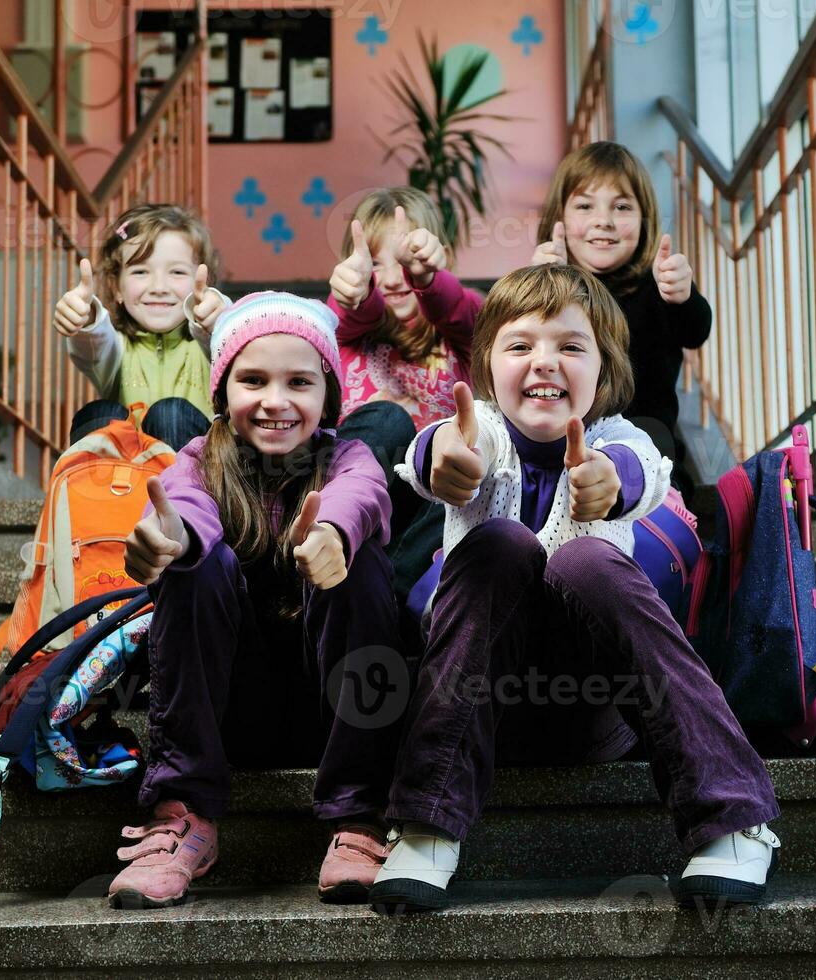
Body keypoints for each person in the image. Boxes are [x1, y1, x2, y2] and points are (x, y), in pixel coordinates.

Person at [369, 265, 780, 914]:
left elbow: (636, 473)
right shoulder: (480, 435)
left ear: (603, 369)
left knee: (586, 559)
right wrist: (449, 460)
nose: (544, 361)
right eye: (520, 345)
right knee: (502, 542)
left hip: (595, 715)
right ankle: (426, 823)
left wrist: (608, 485)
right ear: (485, 368)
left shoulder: (621, 438)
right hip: (480, 715)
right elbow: (437, 450)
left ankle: (733, 818)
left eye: (569, 346)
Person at [110, 292, 405, 909]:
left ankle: (359, 816)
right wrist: (172, 539)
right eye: (253, 380)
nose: (276, 401)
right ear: (222, 394)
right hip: (227, 714)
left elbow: (363, 495)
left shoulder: (347, 456)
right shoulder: (198, 459)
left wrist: (333, 536)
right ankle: (184, 813)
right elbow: (182, 508)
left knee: (364, 564)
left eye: (299, 381)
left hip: (329, 713)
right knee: (197, 564)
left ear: (328, 397)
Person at [326, 187, 483, 594]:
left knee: (454, 462)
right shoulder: (342, 336)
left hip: (424, 522)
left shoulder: (463, 337)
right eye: (375, 264)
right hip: (349, 506)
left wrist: (428, 280)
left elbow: (461, 312)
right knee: (388, 419)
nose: (394, 278)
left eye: (404, 263)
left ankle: (387, 604)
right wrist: (356, 295)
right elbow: (353, 316)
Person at [533, 141, 711, 492]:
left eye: (622, 207)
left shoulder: (657, 286)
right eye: (585, 206)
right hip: (561, 445)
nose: (604, 221)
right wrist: (540, 292)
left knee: (656, 452)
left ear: (644, 221)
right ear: (560, 219)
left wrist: (683, 296)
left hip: (644, 450)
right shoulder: (546, 288)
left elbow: (695, 329)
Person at [53, 203, 231, 450]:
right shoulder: (116, 351)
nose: (158, 286)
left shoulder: (209, 345)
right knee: (100, 415)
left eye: (177, 272)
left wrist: (216, 315)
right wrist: (87, 317)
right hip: (126, 480)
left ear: (202, 282)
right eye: (140, 271)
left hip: (196, 476)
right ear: (117, 288)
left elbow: (227, 339)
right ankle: (95, 487)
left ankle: (178, 490)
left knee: (169, 413)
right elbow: (95, 343)